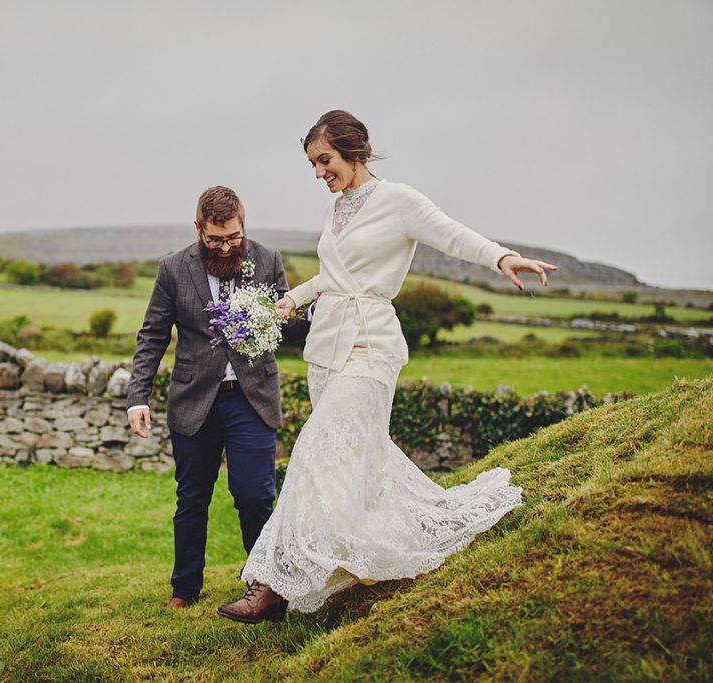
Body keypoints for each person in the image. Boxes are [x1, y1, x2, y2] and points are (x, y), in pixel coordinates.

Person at [217, 110, 557, 624]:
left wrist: (502, 257)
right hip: (326, 350)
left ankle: (272, 587)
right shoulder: (336, 211)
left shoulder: (399, 200)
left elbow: (452, 234)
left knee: (313, 450)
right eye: (312, 164)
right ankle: (342, 567)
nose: (318, 173)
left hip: (371, 346)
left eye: (324, 160)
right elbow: (335, 276)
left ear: (354, 149)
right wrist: (292, 299)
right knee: (350, 465)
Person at [127, 185, 307, 609]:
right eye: (215, 239)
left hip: (252, 398)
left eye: (233, 238)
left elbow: (285, 325)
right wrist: (139, 397)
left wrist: (317, 313)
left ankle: (265, 584)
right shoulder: (172, 269)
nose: (225, 248)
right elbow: (153, 335)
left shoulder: (267, 259)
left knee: (254, 494)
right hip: (194, 401)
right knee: (192, 497)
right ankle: (185, 587)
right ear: (199, 229)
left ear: (243, 226)